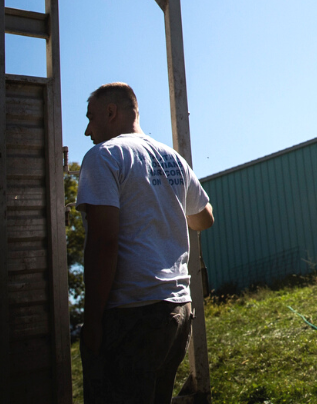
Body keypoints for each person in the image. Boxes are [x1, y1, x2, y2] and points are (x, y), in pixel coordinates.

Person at [76, 82, 214, 404]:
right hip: (177, 312)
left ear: (111, 112)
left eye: (91, 117)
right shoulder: (172, 158)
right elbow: (204, 217)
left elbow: (104, 242)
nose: (86, 130)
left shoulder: (103, 157)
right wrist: (168, 205)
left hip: (132, 315)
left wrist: (93, 321)